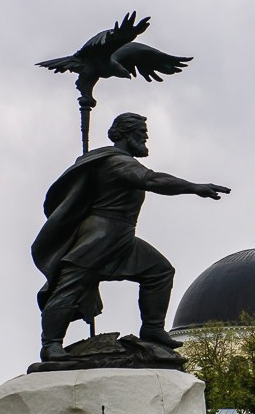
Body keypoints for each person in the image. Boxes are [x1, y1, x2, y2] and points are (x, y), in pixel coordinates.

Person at [32, 112, 230, 361]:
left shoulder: (116, 160)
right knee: (70, 287)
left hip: (122, 236)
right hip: (100, 235)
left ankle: (152, 328)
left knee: (159, 271)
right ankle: (51, 344)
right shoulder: (117, 162)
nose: (145, 140)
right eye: (141, 134)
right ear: (126, 135)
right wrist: (194, 187)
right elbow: (152, 179)